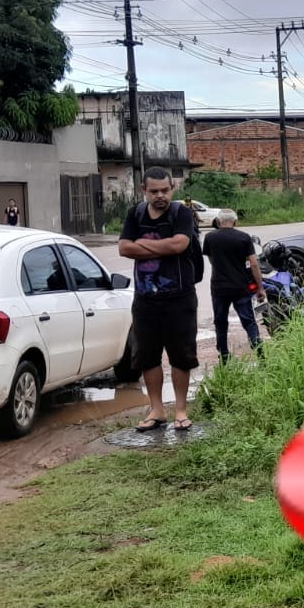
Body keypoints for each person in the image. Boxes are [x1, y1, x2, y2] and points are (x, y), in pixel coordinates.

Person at [118, 167, 201, 431]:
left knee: (181, 355)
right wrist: (164, 246)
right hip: (145, 299)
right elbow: (123, 248)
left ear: (172, 187)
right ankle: (156, 410)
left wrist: (141, 246)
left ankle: (180, 410)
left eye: (164, 190)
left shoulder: (181, 213)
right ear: (144, 190)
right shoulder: (135, 214)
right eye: (153, 191)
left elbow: (179, 245)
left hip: (180, 298)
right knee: (146, 356)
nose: (159, 196)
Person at [202, 210, 262, 362]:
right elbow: (254, 264)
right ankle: (260, 353)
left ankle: (224, 356)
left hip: (219, 287)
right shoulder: (243, 237)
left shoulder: (210, 238)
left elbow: (211, 260)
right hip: (240, 286)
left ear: (218, 221)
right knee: (249, 321)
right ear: (235, 222)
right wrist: (260, 288)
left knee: (220, 322)